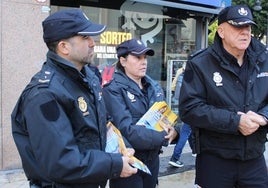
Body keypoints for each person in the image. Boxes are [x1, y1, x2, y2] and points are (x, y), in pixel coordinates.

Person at [11, 8, 137, 188]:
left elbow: (99, 124)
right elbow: (61, 162)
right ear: (64, 47)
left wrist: (120, 146)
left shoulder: (87, 77)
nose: (93, 43)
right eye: (85, 37)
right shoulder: (44, 94)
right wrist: (114, 164)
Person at [179, 4, 268, 188]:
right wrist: (234, 122)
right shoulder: (200, 63)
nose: (245, 32)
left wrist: (264, 116)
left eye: (248, 27)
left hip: (254, 158)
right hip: (215, 160)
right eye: (237, 27)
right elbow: (190, 109)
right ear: (221, 31)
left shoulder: (263, 59)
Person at [102, 38, 179, 188]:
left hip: (152, 161)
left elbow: (165, 117)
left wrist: (175, 132)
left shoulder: (153, 86)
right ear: (123, 61)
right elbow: (127, 130)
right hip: (129, 163)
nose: (143, 62)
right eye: (137, 57)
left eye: (145, 58)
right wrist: (163, 137)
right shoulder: (112, 88)